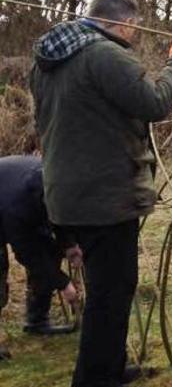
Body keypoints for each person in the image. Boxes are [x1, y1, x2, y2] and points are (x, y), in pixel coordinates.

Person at [30, 0, 172, 386]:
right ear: (123, 23)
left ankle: (110, 365)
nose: (135, 36)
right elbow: (155, 101)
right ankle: (95, 378)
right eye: (135, 28)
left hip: (67, 194)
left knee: (109, 289)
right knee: (111, 296)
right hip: (103, 199)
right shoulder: (103, 54)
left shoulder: (51, 59)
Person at [0, 155, 79, 362]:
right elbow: (27, 253)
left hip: (18, 199)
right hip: (7, 204)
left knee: (51, 251)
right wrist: (63, 283)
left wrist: (69, 245)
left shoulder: (57, 183)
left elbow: (59, 217)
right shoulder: (18, 205)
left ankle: (37, 321)